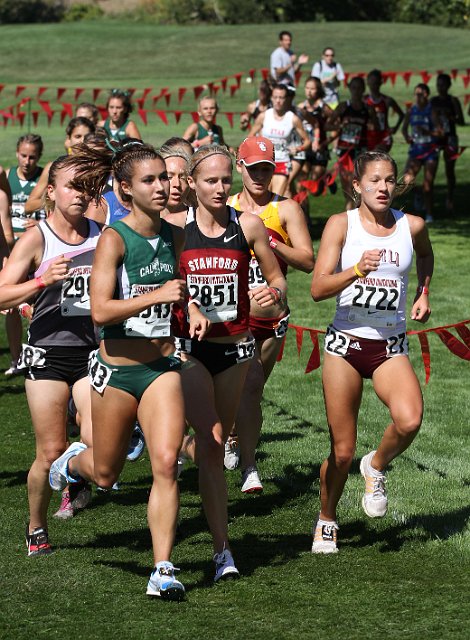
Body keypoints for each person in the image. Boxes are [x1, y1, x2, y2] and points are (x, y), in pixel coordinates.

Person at [48, 141, 194, 600]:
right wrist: (157, 297)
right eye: (150, 180)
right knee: (107, 474)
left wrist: (192, 308)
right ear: (124, 189)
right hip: (115, 372)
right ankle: (71, 464)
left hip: (160, 368)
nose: (162, 187)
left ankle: (163, 568)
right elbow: (100, 311)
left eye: (164, 178)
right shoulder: (114, 238)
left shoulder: (176, 234)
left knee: (166, 463)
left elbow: (178, 291)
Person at [310, 150, 433, 554]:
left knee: (410, 420)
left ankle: (376, 465)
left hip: (390, 345)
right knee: (342, 451)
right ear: (357, 185)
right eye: (375, 180)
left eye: (389, 180)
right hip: (346, 345)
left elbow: (426, 256)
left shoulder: (410, 226)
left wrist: (423, 291)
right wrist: (356, 271)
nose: (383, 187)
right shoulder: (339, 225)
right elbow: (317, 289)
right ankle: (327, 518)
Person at [173, 144, 287, 581]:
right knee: (214, 437)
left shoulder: (249, 225)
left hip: (237, 347)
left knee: (213, 449)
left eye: (225, 180)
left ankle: (183, 453)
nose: (221, 189)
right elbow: (159, 281)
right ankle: (224, 549)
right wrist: (187, 302)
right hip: (190, 350)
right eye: (211, 181)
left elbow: (277, 278)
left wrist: (272, 294)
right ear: (192, 184)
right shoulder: (176, 230)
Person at [0, 155, 101, 557]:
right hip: (46, 354)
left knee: (98, 445)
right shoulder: (37, 238)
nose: (79, 194)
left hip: (92, 352)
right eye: (71, 187)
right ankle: (37, 525)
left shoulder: (103, 235)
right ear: (53, 192)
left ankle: (75, 474)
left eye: (85, 187)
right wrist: (42, 281)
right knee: (50, 450)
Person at [223, 137, 314, 492]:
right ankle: (249, 465)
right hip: (233, 318)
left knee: (252, 393)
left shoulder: (286, 209)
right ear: (240, 167)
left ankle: (232, 436)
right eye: (254, 168)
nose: (260, 175)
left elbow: (308, 261)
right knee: (250, 385)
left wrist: (268, 241)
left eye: (267, 168)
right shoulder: (225, 205)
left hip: (273, 320)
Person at [2, 134, 44, 377]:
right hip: (12, 251)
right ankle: (16, 357)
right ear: (17, 153)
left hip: (36, 250)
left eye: (32, 157)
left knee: (35, 304)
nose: (27, 161)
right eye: (23, 155)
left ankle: (35, 351)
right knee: (12, 308)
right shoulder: (7, 177)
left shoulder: (43, 178)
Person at [25, 117, 96, 216]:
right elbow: (29, 205)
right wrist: (58, 198)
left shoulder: (97, 169)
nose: (82, 141)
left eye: (86, 137)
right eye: (77, 136)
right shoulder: (55, 168)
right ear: (68, 139)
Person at [249, 84, 310, 196]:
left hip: (282, 162)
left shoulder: (292, 118)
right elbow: (250, 137)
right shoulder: (264, 116)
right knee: (263, 196)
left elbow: (307, 141)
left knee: (276, 199)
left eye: (281, 98)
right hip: (265, 161)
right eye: (275, 97)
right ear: (271, 98)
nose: (278, 101)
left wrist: (298, 148)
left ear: (286, 99)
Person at [327, 76, 378, 210]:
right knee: (348, 190)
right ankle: (350, 220)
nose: (356, 91)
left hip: (361, 151)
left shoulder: (368, 109)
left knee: (360, 188)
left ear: (363, 89)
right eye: (353, 87)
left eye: (359, 88)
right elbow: (327, 126)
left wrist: (370, 129)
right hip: (345, 151)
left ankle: (360, 216)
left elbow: (377, 129)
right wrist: (340, 127)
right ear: (349, 88)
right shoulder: (343, 107)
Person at [402, 84, 440, 223]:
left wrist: (428, 132)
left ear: (426, 95)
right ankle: (418, 194)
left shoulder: (432, 111)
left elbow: (440, 131)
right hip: (416, 150)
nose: (418, 97)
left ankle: (429, 214)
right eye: (416, 94)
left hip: (430, 150)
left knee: (428, 185)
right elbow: (405, 129)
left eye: (421, 94)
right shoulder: (411, 111)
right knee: (407, 180)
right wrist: (407, 137)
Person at [430, 73, 465, 213]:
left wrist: (451, 117)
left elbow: (461, 121)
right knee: (432, 168)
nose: (440, 87)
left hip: (450, 137)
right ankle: (430, 199)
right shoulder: (433, 101)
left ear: (449, 85)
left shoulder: (453, 100)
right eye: (438, 85)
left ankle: (450, 198)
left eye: (443, 85)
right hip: (437, 138)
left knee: (449, 170)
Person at [365, 69, 405, 152]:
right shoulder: (364, 100)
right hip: (368, 136)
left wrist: (395, 128)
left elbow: (401, 114)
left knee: (377, 157)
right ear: (367, 82)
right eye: (371, 82)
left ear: (380, 83)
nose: (373, 86)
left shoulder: (387, 100)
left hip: (383, 136)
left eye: (376, 83)